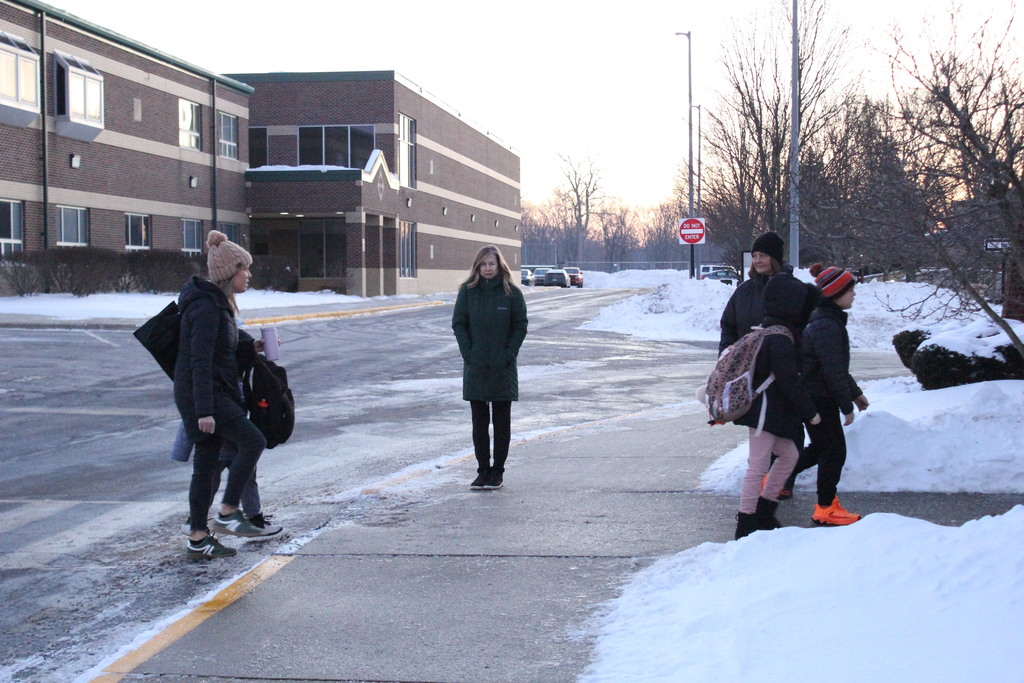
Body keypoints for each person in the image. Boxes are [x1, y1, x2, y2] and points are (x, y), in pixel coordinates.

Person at [175, 230, 268, 559]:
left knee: (207, 464)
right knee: (253, 441)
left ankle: (198, 538)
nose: (249, 274)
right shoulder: (207, 309)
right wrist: (204, 411)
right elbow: (198, 362)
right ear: (231, 272)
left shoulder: (219, 307)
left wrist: (252, 346)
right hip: (207, 396)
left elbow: (221, 351)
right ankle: (228, 512)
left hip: (211, 393)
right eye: (245, 268)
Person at [733, 272, 821, 540]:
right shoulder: (779, 337)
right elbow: (787, 380)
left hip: (769, 412)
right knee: (757, 465)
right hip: (763, 412)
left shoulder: (772, 330)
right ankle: (747, 521)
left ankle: (765, 511)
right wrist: (810, 412)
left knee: (790, 455)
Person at [782, 264, 868, 526]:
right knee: (834, 452)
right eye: (850, 290)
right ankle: (826, 507)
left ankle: (775, 477)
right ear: (836, 293)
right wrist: (846, 405)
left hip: (816, 395)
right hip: (819, 397)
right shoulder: (827, 324)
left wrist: (855, 394)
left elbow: (834, 365)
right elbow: (831, 370)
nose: (854, 295)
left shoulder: (827, 320)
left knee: (822, 448)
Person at [451, 245, 528, 490]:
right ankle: (482, 470)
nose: (487, 268)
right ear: (477, 266)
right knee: (479, 424)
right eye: (483, 264)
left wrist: (509, 353)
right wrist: (469, 354)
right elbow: (459, 324)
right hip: (476, 367)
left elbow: (520, 325)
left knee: (502, 423)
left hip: (503, 368)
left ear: (499, 266)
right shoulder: (467, 292)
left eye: (491, 264)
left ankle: (498, 472)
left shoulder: (511, 293)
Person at [171, 419, 283, 538]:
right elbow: (191, 413)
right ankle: (195, 525)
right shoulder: (209, 403)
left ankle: (254, 520)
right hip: (215, 443)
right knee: (210, 483)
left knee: (245, 478)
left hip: (235, 442)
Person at [719, 231, 786, 354]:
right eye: (754, 256)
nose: (757, 260)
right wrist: (725, 356)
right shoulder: (743, 291)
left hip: (780, 363)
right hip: (745, 365)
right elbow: (728, 327)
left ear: (775, 257)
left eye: (762, 255)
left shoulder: (791, 288)